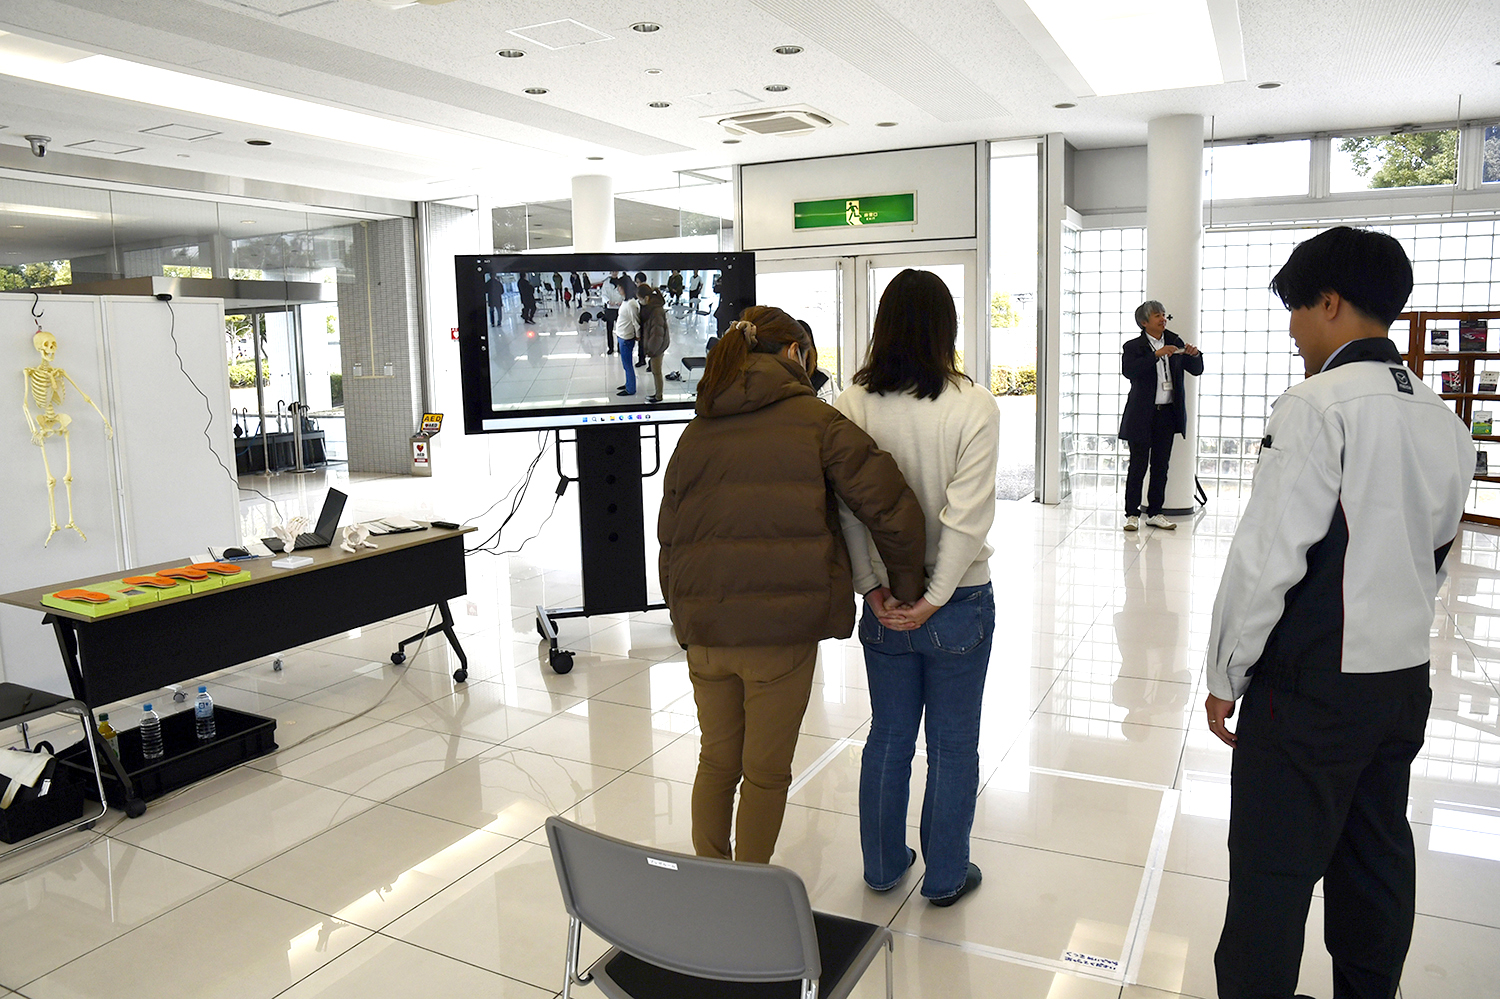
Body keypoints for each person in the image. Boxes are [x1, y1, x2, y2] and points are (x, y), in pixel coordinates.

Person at [1205, 226, 1474, 999]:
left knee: (1272, 878)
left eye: (1295, 309)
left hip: (1312, 689)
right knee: (1375, 857)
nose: (1292, 330)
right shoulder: (1443, 419)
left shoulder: (1317, 406)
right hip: (1401, 684)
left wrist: (1228, 670)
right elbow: (1435, 555)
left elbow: (1266, 561)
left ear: (1329, 303)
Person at [659, 306, 927, 865]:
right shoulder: (816, 421)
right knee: (764, 773)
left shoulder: (696, 431)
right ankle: (748, 898)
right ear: (792, 354)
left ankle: (710, 880)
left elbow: (670, 536)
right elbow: (889, 504)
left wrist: (684, 618)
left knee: (716, 762)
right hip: (779, 636)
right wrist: (904, 584)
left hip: (707, 634)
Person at [834, 268, 1000, 906]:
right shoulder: (972, 405)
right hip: (957, 602)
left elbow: (848, 508)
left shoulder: (853, 404)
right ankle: (947, 875)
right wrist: (934, 597)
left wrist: (873, 588)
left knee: (889, 734)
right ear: (946, 328)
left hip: (884, 602)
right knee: (954, 743)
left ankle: (881, 865)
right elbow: (968, 516)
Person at [1118, 300, 1203, 531]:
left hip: (1166, 414)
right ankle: (1132, 514)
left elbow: (1196, 370)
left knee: (1160, 466)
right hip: (1141, 414)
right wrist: (1156, 354)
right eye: (1157, 315)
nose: (1163, 319)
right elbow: (1129, 371)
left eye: (1164, 314)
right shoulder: (1133, 346)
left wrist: (1195, 355)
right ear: (1144, 322)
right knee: (1137, 466)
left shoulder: (1175, 341)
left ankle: (1155, 512)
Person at [639, 286, 669, 403]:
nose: (640, 302)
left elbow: (657, 334)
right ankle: (657, 394)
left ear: (646, 298)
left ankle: (658, 396)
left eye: (640, 299)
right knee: (655, 371)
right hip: (656, 346)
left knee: (657, 372)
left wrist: (651, 350)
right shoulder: (652, 308)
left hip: (658, 347)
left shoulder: (655, 311)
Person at [613, 281, 640, 396]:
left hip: (626, 338)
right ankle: (628, 383)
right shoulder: (626, 302)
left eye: (620, 286)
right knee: (625, 364)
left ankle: (631, 389)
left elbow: (636, 322)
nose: (618, 288)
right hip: (621, 336)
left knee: (628, 364)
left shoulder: (631, 304)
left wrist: (638, 335)